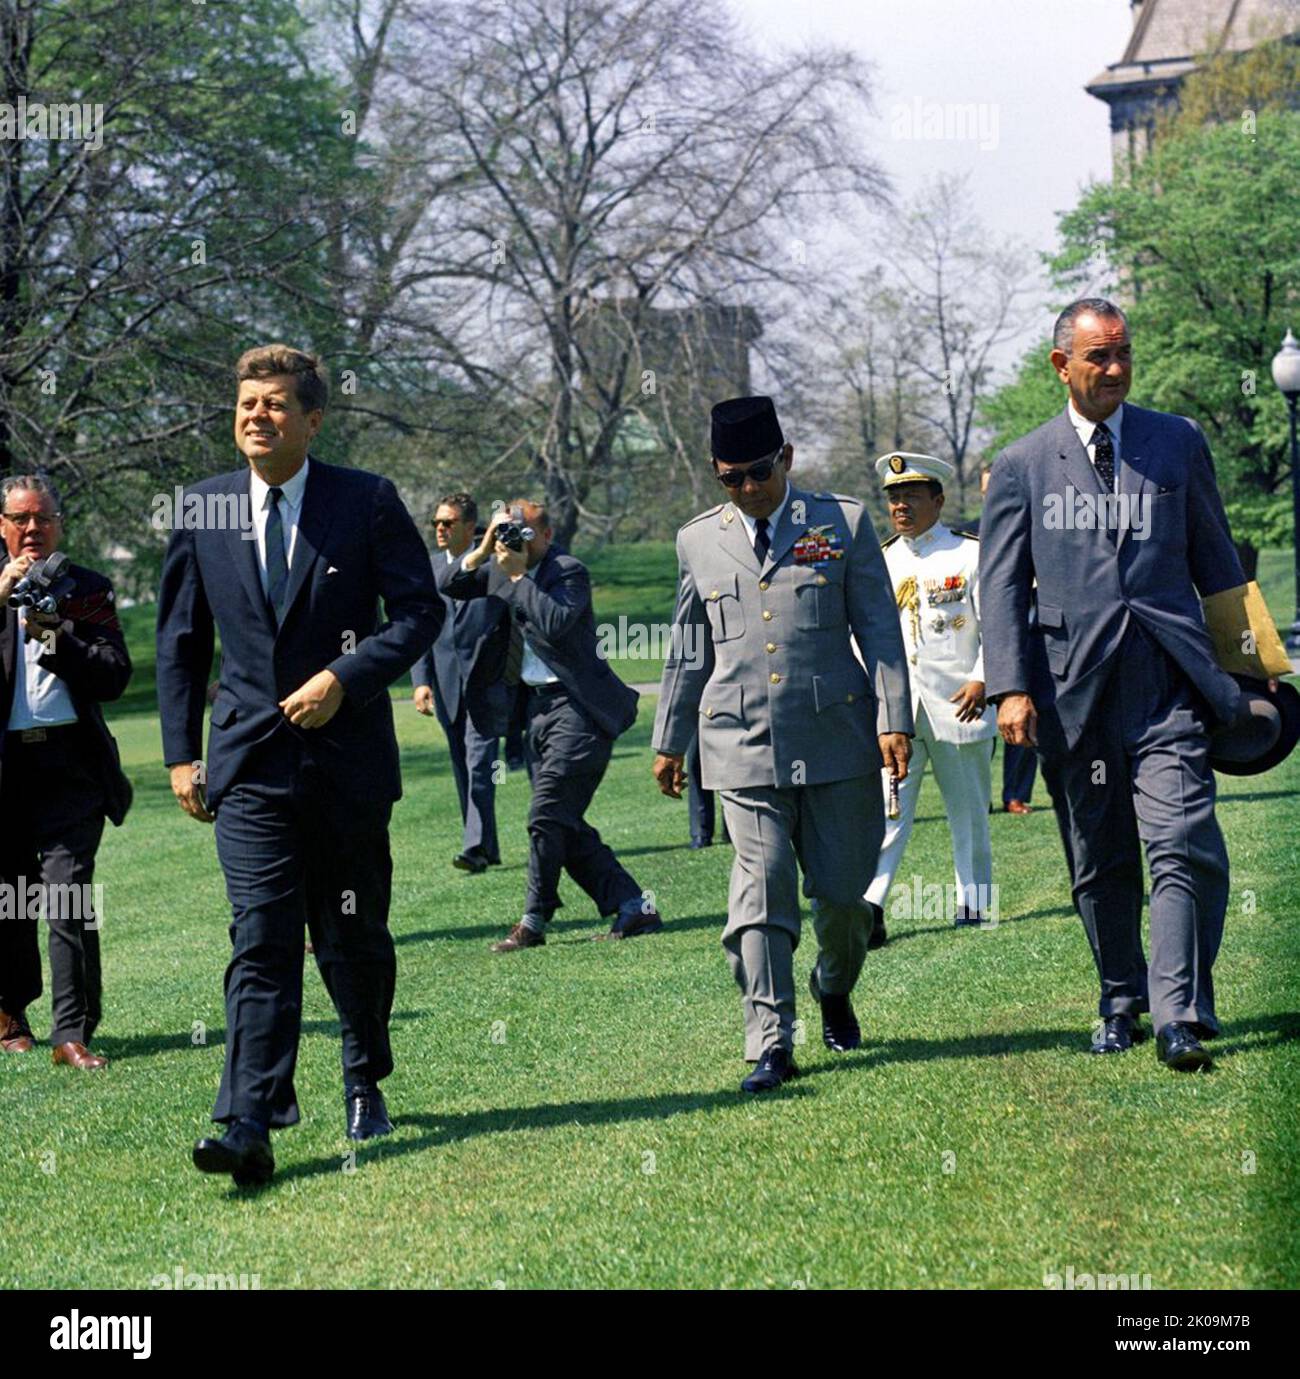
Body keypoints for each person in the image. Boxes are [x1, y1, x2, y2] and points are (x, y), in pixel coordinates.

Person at [156, 344, 441, 1185]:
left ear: (313, 418)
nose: (257, 415)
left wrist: (344, 678)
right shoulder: (204, 508)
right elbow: (180, 640)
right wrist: (180, 754)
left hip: (347, 763)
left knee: (351, 935)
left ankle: (363, 1076)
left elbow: (419, 612)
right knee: (261, 938)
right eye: (247, 402)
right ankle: (248, 1119)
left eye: (276, 404)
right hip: (247, 766)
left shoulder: (366, 500)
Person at [981, 297, 1257, 1071]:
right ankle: (1119, 997)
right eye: (1097, 356)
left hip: (1169, 682)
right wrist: (1010, 686)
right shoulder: (1022, 465)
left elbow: (1218, 562)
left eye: (1123, 353)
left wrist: (1250, 669)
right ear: (1060, 365)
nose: (1114, 369)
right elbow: (1000, 586)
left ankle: (1178, 1014)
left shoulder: (1177, 442)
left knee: (1180, 841)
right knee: (1099, 858)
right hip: (1074, 692)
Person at [652, 396, 911, 1092]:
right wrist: (669, 738)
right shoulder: (697, 541)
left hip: (836, 738)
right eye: (729, 478)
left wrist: (895, 719)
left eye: (757, 473)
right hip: (739, 743)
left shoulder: (843, 522)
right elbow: (687, 647)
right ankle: (771, 1038)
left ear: (786, 459)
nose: (745, 488)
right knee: (761, 890)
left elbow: (881, 629)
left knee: (843, 897)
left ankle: (833, 982)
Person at [445, 500, 661, 950]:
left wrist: (521, 577)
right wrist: (483, 549)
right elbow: (451, 584)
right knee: (561, 820)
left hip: (580, 710)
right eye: (509, 534)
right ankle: (633, 905)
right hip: (536, 711)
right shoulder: (501, 564)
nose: (514, 542)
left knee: (545, 815)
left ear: (544, 535)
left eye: (523, 534)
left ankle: (534, 920)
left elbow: (557, 623)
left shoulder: (568, 571)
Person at [0, 476, 132, 1067]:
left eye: (43, 518)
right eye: (20, 519)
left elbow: (113, 675)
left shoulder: (89, 590)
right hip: (7, 768)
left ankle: (71, 1031)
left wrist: (52, 636)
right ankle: (10, 1012)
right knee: (11, 898)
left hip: (69, 765)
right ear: (1, 525)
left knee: (68, 895)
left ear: (59, 523)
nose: (32, 529)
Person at [863, 453, 995, 942]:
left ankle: (975, 903)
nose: (900, 505)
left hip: (960, 704)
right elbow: (865, 637)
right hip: (899, 712)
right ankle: (870, 907)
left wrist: (984, 678)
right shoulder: (881, 560)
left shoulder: (970, 554)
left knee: (968, 810)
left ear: (937, 501)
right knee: (887, 810)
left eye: (911, 496)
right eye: (894, 497)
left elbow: (998, 627)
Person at [412, 493, 514, 874]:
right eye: (437, 522)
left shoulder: (497, 563)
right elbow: (422, 625)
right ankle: (487, 845)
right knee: (462, 766)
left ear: (471, 528)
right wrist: (421, 680)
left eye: (448, 522)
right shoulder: (430, 567)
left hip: (487, 685)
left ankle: (473, 848)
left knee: (479, 764)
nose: (440, 528)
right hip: (446, 685)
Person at [978, 467, 1036, 815]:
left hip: (1023, 634)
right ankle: (977, 793)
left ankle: (1015, 794)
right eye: (987, 489)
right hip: (976, 643)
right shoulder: (970, 534)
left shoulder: (1034, 525)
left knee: (1021, 716)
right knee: (979, 732)